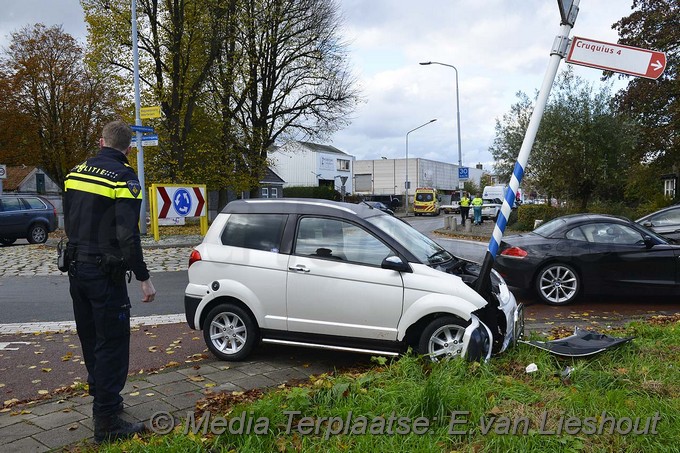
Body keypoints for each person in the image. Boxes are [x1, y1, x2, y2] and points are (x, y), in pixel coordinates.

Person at [63, 120, 156, 443]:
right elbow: (127, 235)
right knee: (112, 344)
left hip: (76, 269)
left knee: (90, 338)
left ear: (101, 142)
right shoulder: (125, 179)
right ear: (128, 149)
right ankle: (107, 424)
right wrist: (144, 278)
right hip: (105, 274)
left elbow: (69, 218)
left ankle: (105, 404)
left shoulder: (75, 173)